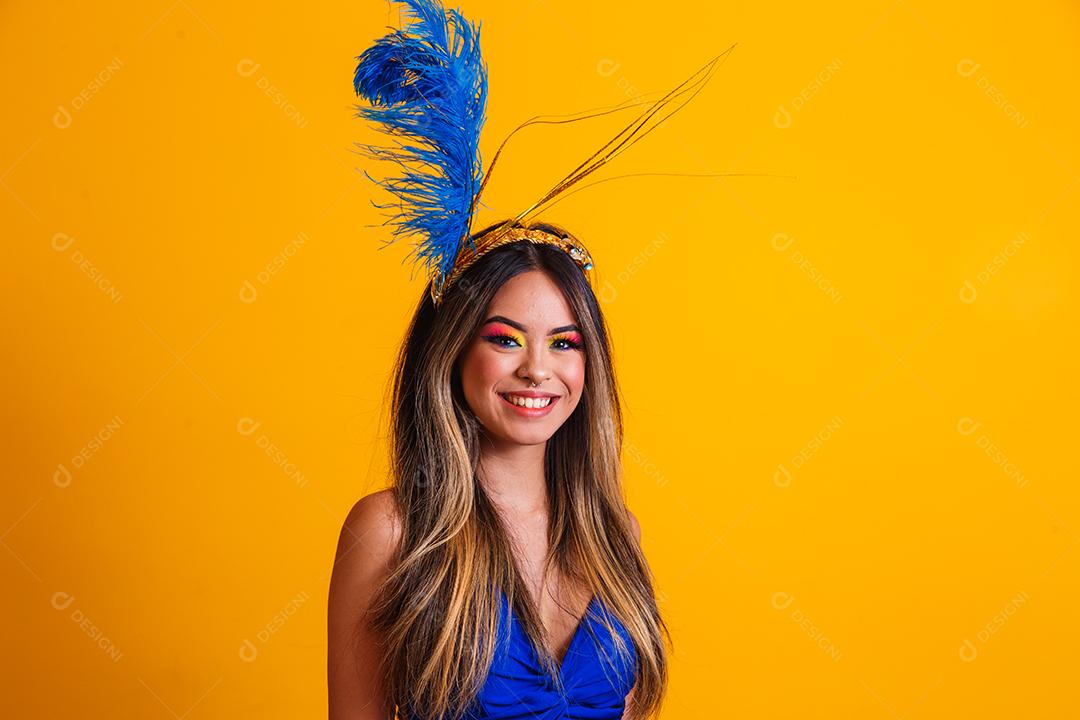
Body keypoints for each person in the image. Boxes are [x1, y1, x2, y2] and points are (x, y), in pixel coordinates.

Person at [327, 220, 668, 720]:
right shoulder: (391, 532)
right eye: (506, 340)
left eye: (564, 343)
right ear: (453, 350)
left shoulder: (616, 535)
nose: (537, 368)